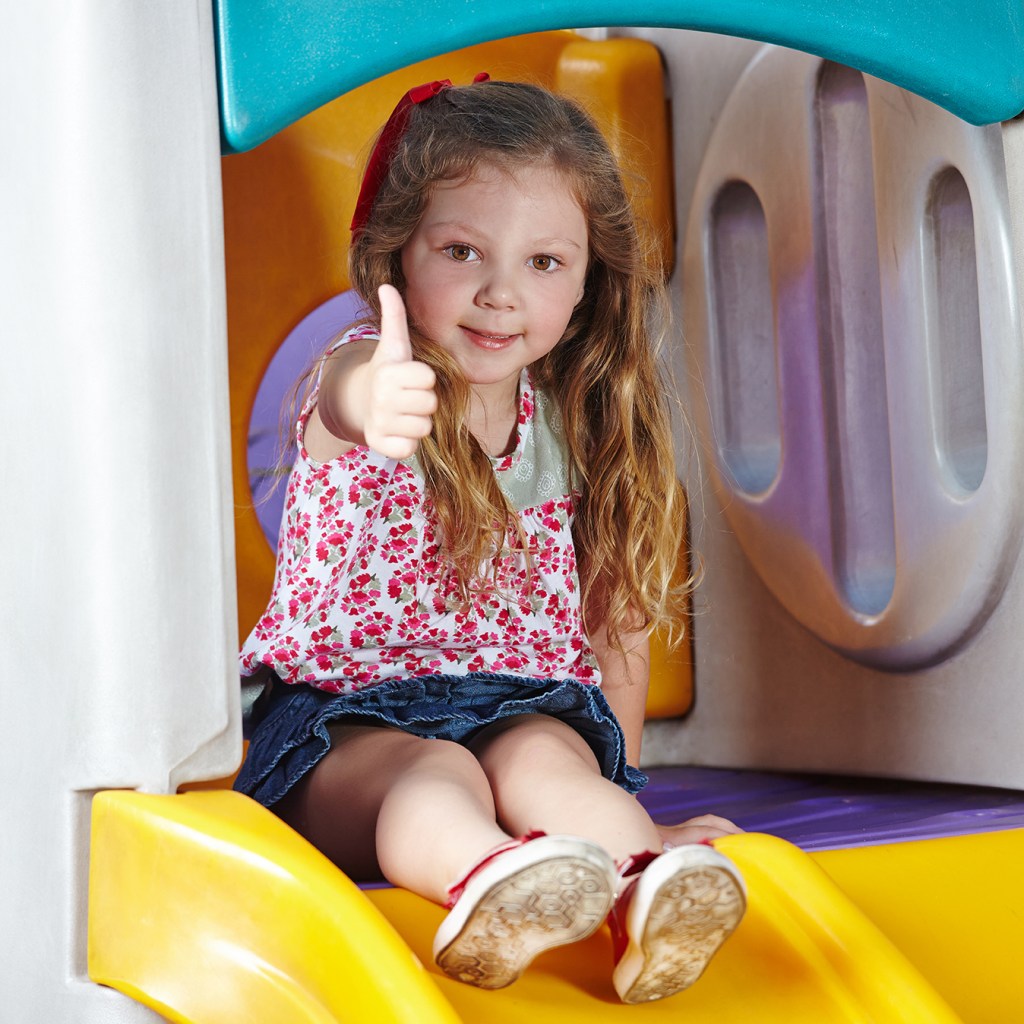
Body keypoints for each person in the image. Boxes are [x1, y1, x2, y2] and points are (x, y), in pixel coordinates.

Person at [235, 75, 745, 1003]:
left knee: (549, 755)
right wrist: (372, 398)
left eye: (545, 263)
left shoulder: (568, 424)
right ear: (395, 256)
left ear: (590, 280)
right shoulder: (366, 373)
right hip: (342, 729)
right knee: (436, 768)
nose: (501, 294)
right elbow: (349, 401)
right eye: (462, 250)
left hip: (515, 708)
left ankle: (643, 886)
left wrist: (631, 806)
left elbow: (612, 626)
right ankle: (485, 884)